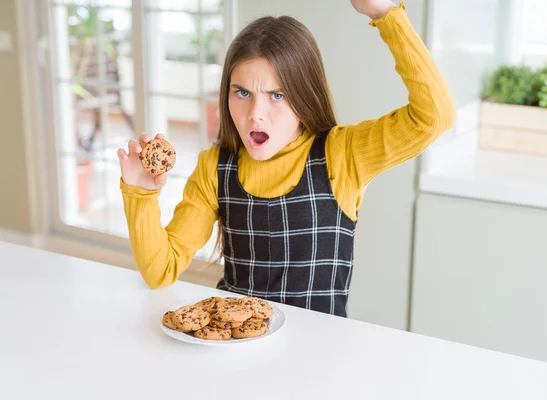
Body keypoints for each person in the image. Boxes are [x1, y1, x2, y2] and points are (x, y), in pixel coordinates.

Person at [117, 0, 455, 317]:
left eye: (276, 95)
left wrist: (386, 14)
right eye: (243, 92)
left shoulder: (343, 155)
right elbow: (160, 271)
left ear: (304, 95)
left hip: (317, 360)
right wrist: (140, 192)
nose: (255, 115)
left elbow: (435, 116)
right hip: (237, 351)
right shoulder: (214, 167)